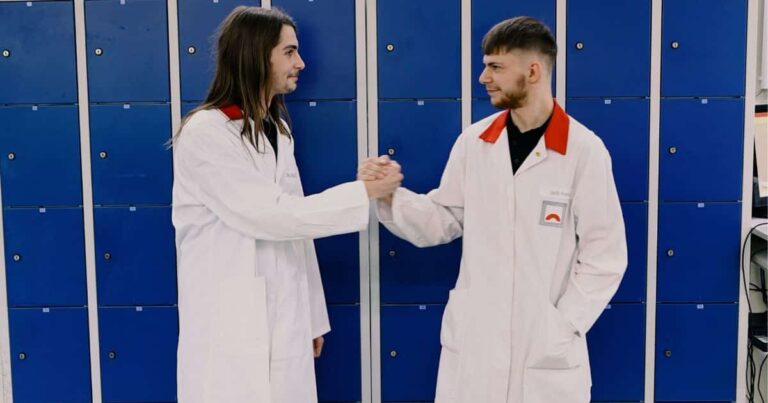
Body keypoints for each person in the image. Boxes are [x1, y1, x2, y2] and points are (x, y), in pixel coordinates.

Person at [359, 16, 627, 403]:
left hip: (544, 348)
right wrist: (389, 195)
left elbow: (605, 255)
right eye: (485, 65)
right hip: (478, 347)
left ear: (533, 70)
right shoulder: (475, 142)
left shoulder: (583, 151)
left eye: (495, 67)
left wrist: (561, 325)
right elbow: (444, 218)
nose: (483, 77)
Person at [171, 7, 401, 403]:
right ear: (258, 55)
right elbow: (270, 216)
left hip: (284, 316)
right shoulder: (206, 132)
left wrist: (311, 314)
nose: (301, 63)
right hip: (230, 326)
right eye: (290, 52)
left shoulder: (274, 130)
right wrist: (360, 192)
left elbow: (298, 228)